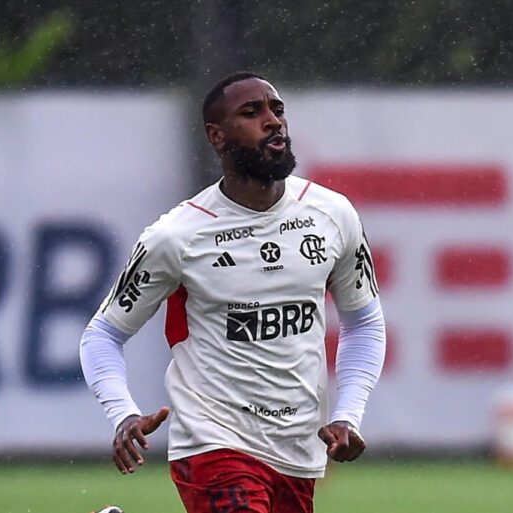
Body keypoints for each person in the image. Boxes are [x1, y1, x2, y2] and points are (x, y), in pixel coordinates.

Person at [81, 71, 386, 513]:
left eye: (277, 110)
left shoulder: (332, 215)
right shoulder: (177, 236)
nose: (273, 121)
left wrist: (347, 414)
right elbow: (103, 335)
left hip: (297, 448)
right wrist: (122, 412)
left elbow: (364, 322)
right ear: (217, 137)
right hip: (213, 440)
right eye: (252, 112)